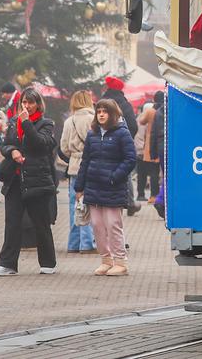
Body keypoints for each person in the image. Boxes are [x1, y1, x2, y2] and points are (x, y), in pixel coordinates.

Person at [0, 87, 58, 276]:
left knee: (41, 223)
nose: (27, 106)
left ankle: (48, 263)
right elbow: (5, 145)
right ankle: (7, 264)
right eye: (24, 102)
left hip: (36, 179)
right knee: (12, 223)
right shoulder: (14, 122)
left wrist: (27, 123)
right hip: (15, 179)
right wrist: (12, 151)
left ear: (38, 104)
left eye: (30, 102)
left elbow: (41, 144)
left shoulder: (46, 124)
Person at [74, 99, 136, 276]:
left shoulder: (122, 133)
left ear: (113, 113)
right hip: (93, 187)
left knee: (113, 224)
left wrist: (114, 177)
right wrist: (79, 187)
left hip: (112, 188)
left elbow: (130, 159)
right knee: (97, 225)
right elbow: (85, 161)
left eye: (105, 111)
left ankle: (120, 262)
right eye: (99, 111)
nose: (101, 114)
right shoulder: (92, 134)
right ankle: (106, 260)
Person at [59, 90, 97, 254]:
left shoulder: (69, 121)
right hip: (92, 166)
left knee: (75, 205)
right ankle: (87, 243)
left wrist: (74, 155)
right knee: (90, 204)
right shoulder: (93, 119)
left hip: (74, 166)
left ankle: (73, 243)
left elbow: (64, 147)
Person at [102, 75, 140, 214]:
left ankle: (104, 202)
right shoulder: (124, 104)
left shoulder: (101, 103)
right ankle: (129, 203)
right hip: (122, 144)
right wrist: (126, 140)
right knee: (125, 173)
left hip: (103, 143)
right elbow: (133, 126)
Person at [135, 99, 158, 202]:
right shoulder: (145, 121)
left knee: (141, 174)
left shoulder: (139, 119)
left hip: (141, 150)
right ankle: (147, 194)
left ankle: (141, 194)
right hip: (144, 150)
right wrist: (142, 149)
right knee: (150, 173)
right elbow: (141, 137)